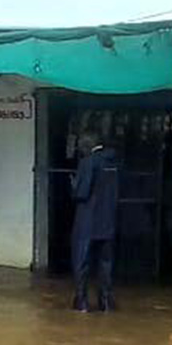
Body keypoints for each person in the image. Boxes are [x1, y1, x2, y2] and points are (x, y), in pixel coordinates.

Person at [71, 131, 120, 312]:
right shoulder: (113, 163)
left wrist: (73, 185)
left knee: (81, 262)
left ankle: (82, 301)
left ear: (85, 146)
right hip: (108, 220)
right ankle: (105, 301)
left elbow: (81, 192)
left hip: (87, 220)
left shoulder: (88, 162)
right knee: (105, 263)